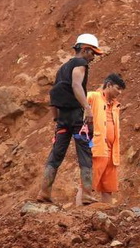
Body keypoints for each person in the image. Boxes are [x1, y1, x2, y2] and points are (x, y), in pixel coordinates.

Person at [37, 33, 102, 204]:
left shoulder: (61, 69)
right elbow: (76, 85)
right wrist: (87, 108)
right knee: (85, 152)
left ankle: (44, 191)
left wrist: (56, 120)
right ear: (85, 49)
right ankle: (87, 194)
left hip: (62, 119)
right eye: (92, 53)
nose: (93, 57)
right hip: (76, 117)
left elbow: (53, 96)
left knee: (56, 154)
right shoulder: (80, 64)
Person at [76, 73, 126, 205]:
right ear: (108, 85)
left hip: (112, 150)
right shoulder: (94, 96)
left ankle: (107, 216)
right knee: (87, 182)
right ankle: (78, 214)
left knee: (108, 187)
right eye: (117, 88)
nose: (119, 92)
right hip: (97, 146)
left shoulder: (116, 105)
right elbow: (78, 107)